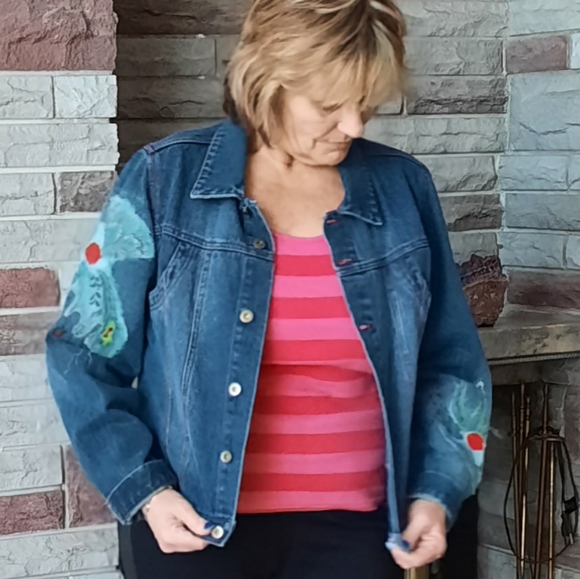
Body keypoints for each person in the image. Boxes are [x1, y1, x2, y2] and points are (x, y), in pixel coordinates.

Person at [45, 0, 492, 578]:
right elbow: (83, 352)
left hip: (358, 534)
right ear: (268, 81)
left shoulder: (403, 188)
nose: (354, 126)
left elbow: (450, 365)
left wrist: (436, 490)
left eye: (366, 104)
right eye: (330, 105)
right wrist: (146, 490)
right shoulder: (164, 180)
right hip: (196, 529)